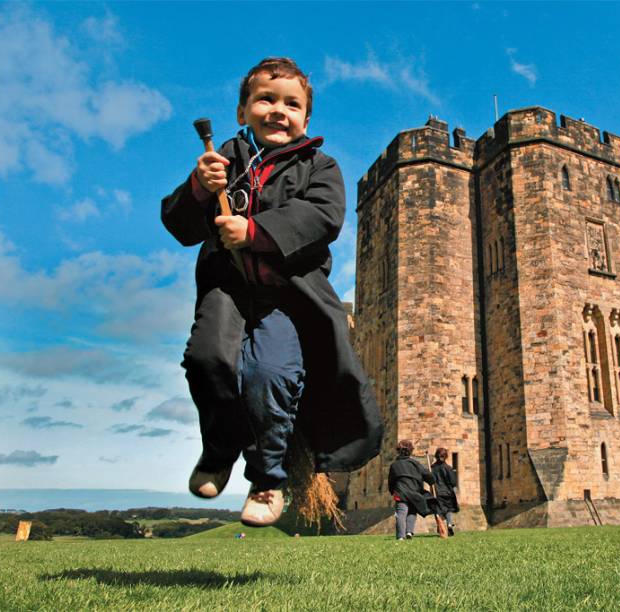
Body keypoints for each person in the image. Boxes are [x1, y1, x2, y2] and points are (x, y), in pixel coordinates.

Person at [161, 57, 382, 526]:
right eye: (265, 99)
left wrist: (256, 231)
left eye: (292, 104)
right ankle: (219, 452)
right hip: (228, 289)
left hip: (288, 298)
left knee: (271, 375)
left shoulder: (321, 166)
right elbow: (179, 225)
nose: (278, 110)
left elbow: (324, 217)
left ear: (306, 118)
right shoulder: (221, 161)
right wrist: (200, 189)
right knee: (207, 360)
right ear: (243, 112)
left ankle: (267, 479)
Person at [388, 440, 434, 541]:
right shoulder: (415, 463)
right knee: (412, 511)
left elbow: (391, 480)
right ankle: (409, 531)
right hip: (414, 492)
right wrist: (432, 480)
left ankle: (401, 536)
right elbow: (427, 475)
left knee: (401, 513)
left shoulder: (394, 465)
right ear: (410, 451)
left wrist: (392, 491)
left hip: (400, 492)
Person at [431, 447, 459, 536]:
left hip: (438, 492)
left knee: (439, 511)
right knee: (448, 509)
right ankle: (449, 524)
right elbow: (453, 482)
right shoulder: (448, 468)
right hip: (448, 492)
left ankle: (441, 527)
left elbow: (431, 480)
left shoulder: (433, 468)